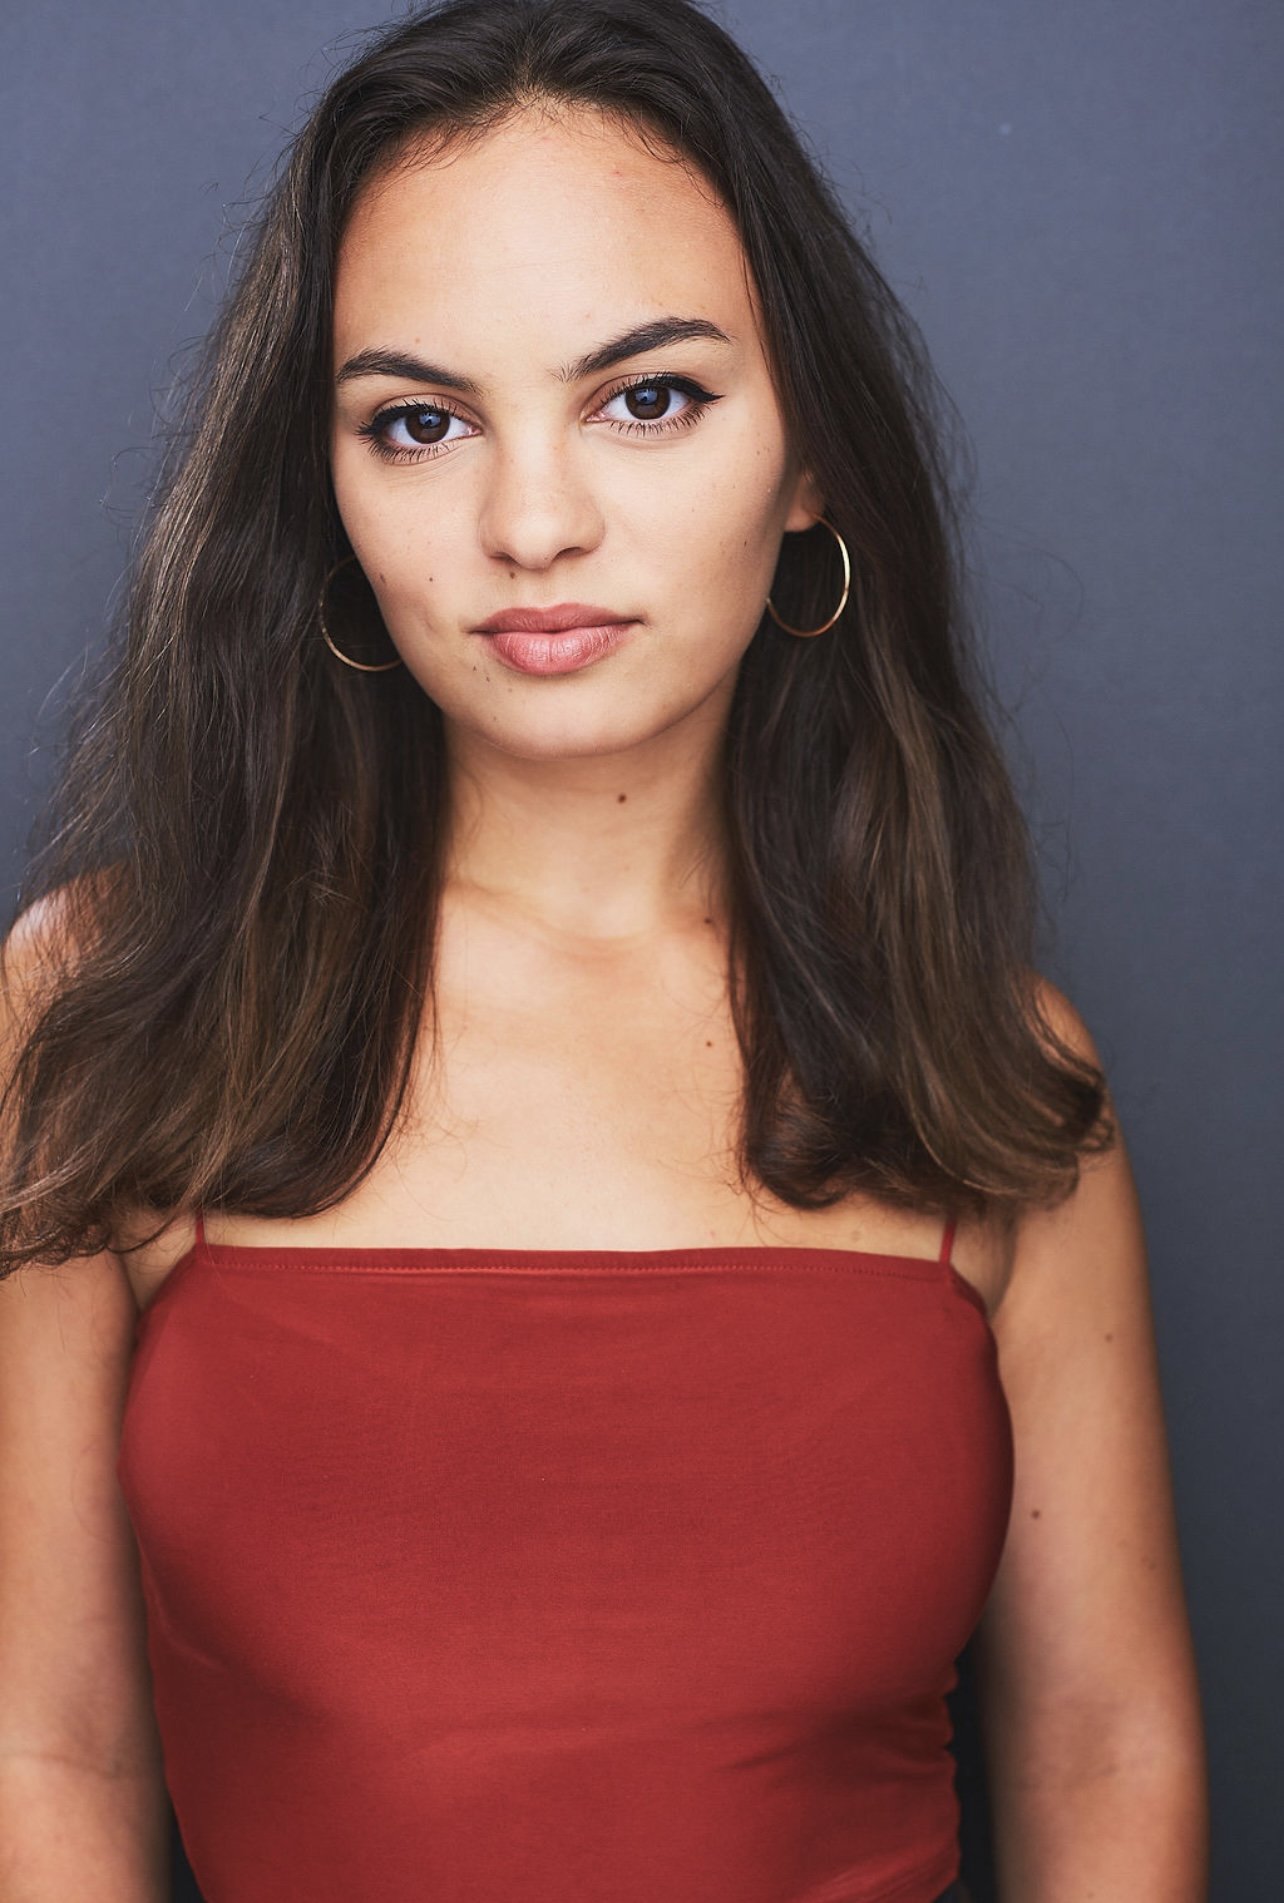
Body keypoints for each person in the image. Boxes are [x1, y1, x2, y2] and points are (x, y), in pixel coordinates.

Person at [0, 0, 1208, 1897]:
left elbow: (1104, 1755)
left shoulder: (983, 1065)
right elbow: (44, 1758)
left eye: (647, 397)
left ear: (810, 457)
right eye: (420, 421)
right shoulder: (115, 1012)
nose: (532, 522)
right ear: (327, 495)